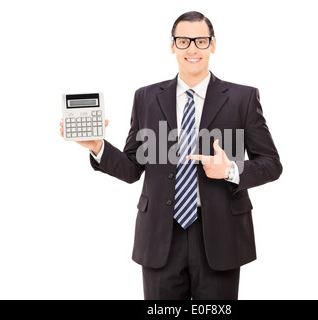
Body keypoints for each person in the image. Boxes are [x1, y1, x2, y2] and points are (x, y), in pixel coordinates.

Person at [60, 11, 282, 300]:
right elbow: (131, 168)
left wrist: (230, 170)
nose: (192, 48)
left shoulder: (243, 98)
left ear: (213, 45)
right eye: (184, 40)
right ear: (172, 45)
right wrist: (97, 146)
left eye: (201, 41)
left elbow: (272, 164)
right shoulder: (146, 97)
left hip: (220, 234)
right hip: (160, 235)